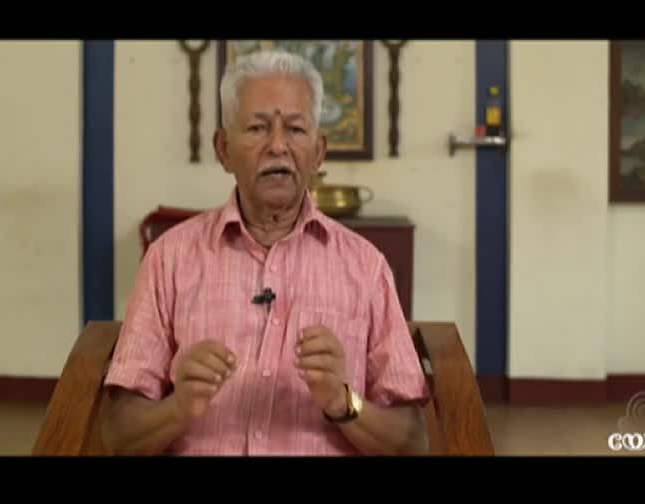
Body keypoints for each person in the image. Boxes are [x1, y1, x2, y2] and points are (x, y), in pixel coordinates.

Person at [100, 49, 431, 456]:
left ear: (319, 152)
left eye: (294, 129)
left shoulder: (365, 267)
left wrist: (344, 403)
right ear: (223, 149)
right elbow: (118, 436)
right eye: (257, 128)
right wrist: (178, 409)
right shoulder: (169, 260)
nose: (277, 146)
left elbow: (413, 442)